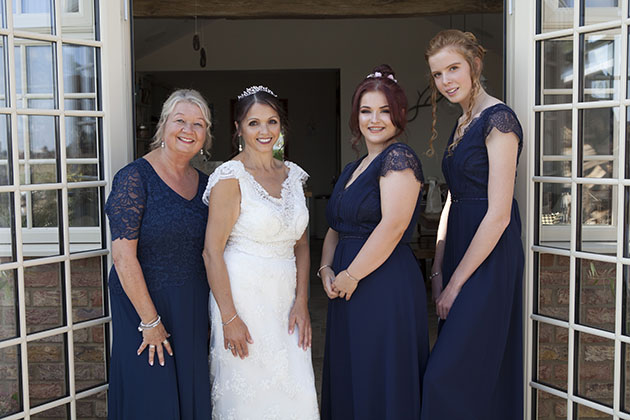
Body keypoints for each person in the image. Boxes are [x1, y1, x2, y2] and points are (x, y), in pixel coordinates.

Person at [421, 29, 524, 419]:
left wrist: (456, 283)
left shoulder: (498, 119)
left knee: (445, 376)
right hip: (460, 247)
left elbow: (497, 214)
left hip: (490, 255)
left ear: (474, 65)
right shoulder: (463, 122)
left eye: (453, 68)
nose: (446, 80)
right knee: (470, 371)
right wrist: (437, 266)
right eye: (437, 74)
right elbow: (453, 197)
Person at [202, 85, 319, 419]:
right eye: (254, 123)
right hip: (242, 300)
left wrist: (302, 301)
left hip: (286, 302)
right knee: (248, 396)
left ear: (281, 125)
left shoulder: (293, 175)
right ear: (238, 127)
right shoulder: (230, 177)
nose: (264, 131)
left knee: (295, 391)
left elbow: (301, 243)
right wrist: (229, 317)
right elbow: (212, 252)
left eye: (271, 121)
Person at [320, 65, 429, 420]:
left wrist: (351, 274)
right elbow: (336, 225)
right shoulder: (355, 168)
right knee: (352, 371)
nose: (375, 119)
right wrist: (325, 268)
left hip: (382, 283)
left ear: (398, 114)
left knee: (379, 373)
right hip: (345, 285)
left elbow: (394, 225)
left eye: (384, 111)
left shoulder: (398, 158)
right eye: (367, 111)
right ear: (356, 116)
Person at [105, 89, 213, 419]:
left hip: (191, 306)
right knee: (150, 396)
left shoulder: (208, 185)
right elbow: (123, 257)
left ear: (206, 135)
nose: (188, 130)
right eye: (180, 120)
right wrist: (150, 321)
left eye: (198, 124)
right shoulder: (134, 178)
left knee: (189, 393)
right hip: (143, 307)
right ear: (164, 125)